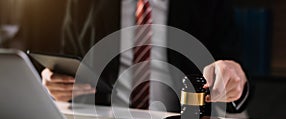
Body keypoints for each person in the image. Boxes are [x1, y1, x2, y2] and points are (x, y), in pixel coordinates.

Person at [41, 0, 249, 113]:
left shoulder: (208, 4)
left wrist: (235, 81)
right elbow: (65, 61)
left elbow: (237, 72)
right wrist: (55, 83)